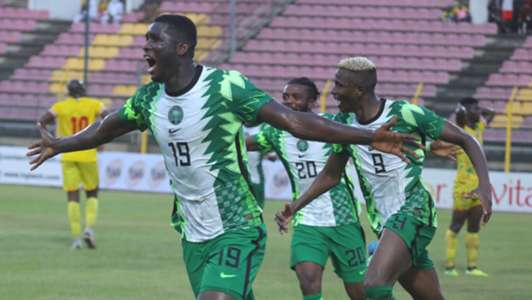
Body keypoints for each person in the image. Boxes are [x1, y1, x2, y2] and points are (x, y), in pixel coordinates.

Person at [27, 15, 417, 300]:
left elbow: (294, 122)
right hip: (192, 232)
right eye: (146, 40)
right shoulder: (148, 99)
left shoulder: (225, 87)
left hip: (237, 225)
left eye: (154, 40)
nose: (145, 47)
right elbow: (106, 128)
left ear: (181, 48)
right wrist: (59, 144)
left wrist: (368, 136)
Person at [275, 57, 493, 300]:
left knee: (374, 285)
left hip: (413, 209)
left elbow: (467, 139)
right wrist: (295, 207)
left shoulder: (404, 113)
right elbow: (331, 175)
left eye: (338, 85)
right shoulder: (346, 125)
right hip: (384, 221)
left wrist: (484, 186)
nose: (333, 92)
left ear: (358, 90)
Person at [246, 77, 366, 300]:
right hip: (306, 220)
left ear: (312, 100)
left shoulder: (333, 125)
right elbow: (244, 144)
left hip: (343, 219)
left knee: (359, 290)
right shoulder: (276, 133)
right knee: (307, 279)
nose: (289, 102)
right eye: (285, 97)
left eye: (296, 97)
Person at [38, 79, 107, 249]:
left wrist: (48, 138)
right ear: (84, 90)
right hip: (89, 154)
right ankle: (89, 229)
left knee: (72, 195)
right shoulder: (95, 104)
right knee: (92, 193)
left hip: (67, 154)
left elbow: (42, 121)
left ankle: (76, 238)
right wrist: (102, 139)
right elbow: (108, 117)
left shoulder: (60, 106)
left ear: (68, 91)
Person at [445, 97, 495, 277]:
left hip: (478, 188)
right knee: (455, 226)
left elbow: (491, 114)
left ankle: (471, 267)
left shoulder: (479, 129)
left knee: (474, 227)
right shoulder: (459, 133)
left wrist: (478, 109)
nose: (478, 111)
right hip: (462, 188)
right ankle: (450, 267)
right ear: (464, 113)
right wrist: (464, 111)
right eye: (473, 108)